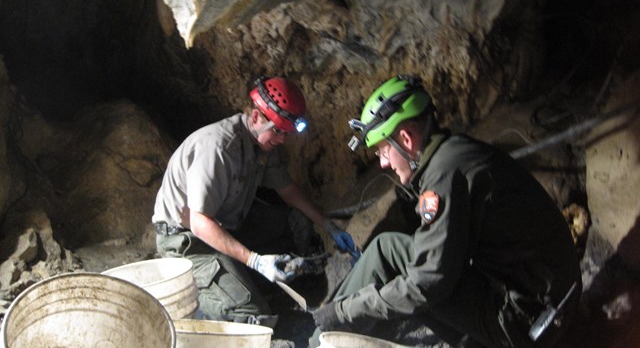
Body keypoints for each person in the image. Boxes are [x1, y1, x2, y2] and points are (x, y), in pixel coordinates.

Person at [310, 75, 582, 347]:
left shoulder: (444, 176)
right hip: (547, 298)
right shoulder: (454, 153)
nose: (382, 164)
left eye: (382, 151)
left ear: (405, 139)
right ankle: (325, 335)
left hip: (530, 321)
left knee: (408, 278)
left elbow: (426, 284)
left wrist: (343, 311)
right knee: (388, 248)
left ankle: (320, 335)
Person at [152, 76, 359, 328]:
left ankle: (248, 278)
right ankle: (198, 296)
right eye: (278, 130)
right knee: (253, 319)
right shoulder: (218, 148)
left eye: (286, 133)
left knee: (295, 221)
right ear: (256, 117)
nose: (282, 139)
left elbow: (289, 191)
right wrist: (255, 260)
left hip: (228, 224)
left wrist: (330, 226)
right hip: (187, 242)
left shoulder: (263, 145)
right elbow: (199, 223)